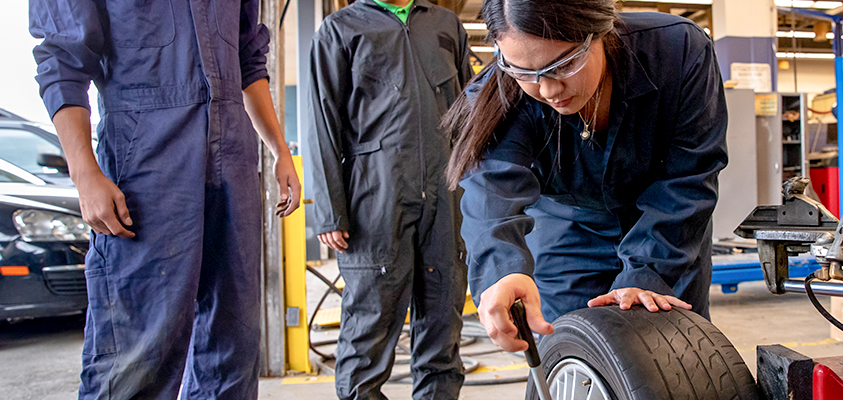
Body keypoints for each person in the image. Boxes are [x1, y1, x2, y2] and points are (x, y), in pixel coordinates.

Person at [30, 0, 300, 398]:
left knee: (233, 349)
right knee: (138, 354)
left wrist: (279, 150)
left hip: (234, 165)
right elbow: (62, 58)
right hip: (146, 165)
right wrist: (84, 172)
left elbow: (248, 58)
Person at [441, 0, 729, 352]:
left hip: (669, 225)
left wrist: (648, 271)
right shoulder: (500, 92)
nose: (547, 90)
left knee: (678, 354)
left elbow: (691, 173)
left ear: (600, 31)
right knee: (570, 353)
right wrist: (502, 270)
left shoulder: (678, 51)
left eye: (563, 65)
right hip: (569, 230)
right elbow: (491, 192)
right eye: (524, 72)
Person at [303, 0, 473, 398]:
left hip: (446, 196)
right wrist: (330, 211)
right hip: (375, 199)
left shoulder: (445, 25)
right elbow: (322, 122)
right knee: (368, 334)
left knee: (443, 333)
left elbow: (471, 114)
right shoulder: (339, 30)